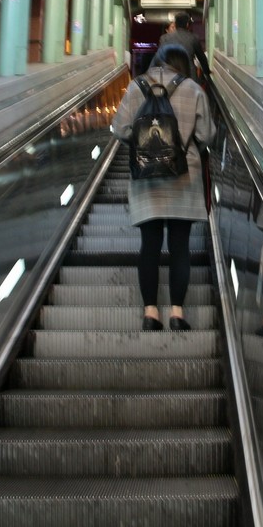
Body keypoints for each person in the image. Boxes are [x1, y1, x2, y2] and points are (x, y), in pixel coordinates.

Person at [112, 44, 215, 331]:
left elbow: (119, 129)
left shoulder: (136, 87)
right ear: (183, 64)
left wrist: (144, 146)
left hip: (146, 179)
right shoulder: (194, 89)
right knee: (180, 247)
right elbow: (207, 134)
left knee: (150, 246)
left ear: (157, 61)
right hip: (185, 176)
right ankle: (177, 314)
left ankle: (150, 313)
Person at [158, 12, 210, 78]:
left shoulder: (164, 38)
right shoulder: (193, 38)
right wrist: (207, 72)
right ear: (187, 24)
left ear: (176, 24)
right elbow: (202, 58)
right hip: (189, 76)